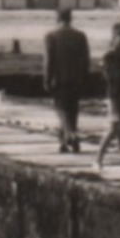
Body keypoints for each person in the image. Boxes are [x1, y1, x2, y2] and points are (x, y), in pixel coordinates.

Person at [42, 8, 91, 154]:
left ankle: (70, 136)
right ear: (71, 18)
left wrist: (47, 78)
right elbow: (85, 60)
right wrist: (84, 77)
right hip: (76, 79)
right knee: (73, 110)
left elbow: (49, 61)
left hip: (59, 79)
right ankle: (65, 142)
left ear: (57, 18)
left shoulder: (51, 36)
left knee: (61, 109)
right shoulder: (80, 36)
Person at [93, 20, 120, 173]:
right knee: (116, 128)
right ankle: (99, 159)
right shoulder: (114, 54)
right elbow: (105, 69)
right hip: (118, 94)